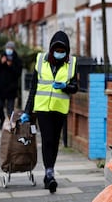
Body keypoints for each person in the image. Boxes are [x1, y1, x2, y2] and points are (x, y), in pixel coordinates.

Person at [20, 30, 78, 194]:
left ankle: (49, 173)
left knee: (55, 141)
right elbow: (33, 88)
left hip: (59, 109)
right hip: (43, 109)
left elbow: (75, 87)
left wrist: (65, 87)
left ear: (66, 51)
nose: (59, 54)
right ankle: (49, 173)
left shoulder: (72, 63)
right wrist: (27, 111)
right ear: (51, 49)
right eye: (57, 51)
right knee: (47, 140)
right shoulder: (40, 61)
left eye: (62, 51)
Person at [0, 41, 22, 130]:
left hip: (11, 88)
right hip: (0, 87)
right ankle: (2, 120)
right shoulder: (0, 57)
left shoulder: (17, 59)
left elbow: (18, 73)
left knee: (10, 109)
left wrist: (10, 66)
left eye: (11, 48)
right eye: (8, 48)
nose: (9, 50)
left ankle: (9, 124)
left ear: (13, 49)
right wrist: (1, 63)